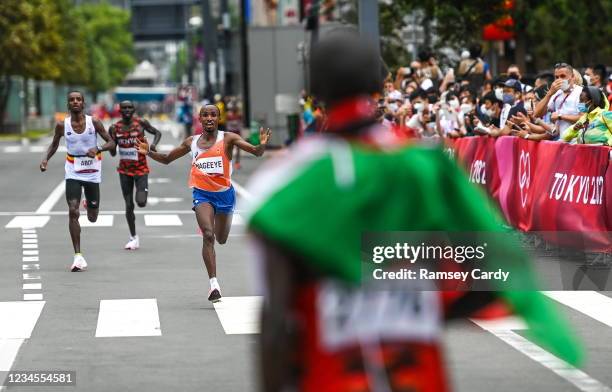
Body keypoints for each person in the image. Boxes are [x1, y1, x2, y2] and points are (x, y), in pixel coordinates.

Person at [247, 31, 581, 392]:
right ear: (378, 84)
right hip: (417, 377)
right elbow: (491, 271)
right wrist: (416, 303)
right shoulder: (427, 168)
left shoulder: (284, 184)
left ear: (314, 91)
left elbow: (275, 320)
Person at [134, 104, 271, 302]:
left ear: (218, 118)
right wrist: (148, 153)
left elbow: (256, 152)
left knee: (221, 238)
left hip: (225, 195)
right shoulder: (192, 142)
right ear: (200, 119)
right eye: (205, 115)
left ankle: (216, 235)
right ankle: (213, 284)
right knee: (208, 235)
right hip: (202, 195)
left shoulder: (228, 138)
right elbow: (166, 159)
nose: (209, 118)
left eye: (213, 115)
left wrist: (262, 144)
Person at [39, 91, 116, 272]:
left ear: (83, 103)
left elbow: (112, 143)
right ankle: (78, 256)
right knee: (72, 211)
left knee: (92, 217)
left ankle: (88, 204)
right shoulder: (62, 125)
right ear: (68, 104)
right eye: (72, 100)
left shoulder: (94, 122)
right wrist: (45, 159)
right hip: (73, 170)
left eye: (78, 99)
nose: (75, 102)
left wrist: (98, 148)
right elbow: (55, 144)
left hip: (92, 172)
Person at [109, 100, 162, 250]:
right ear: (119, 110)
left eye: (129, 107)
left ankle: (143, 192)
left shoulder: (141, 123)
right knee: (128, 205)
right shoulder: (114, 127)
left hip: (141, 169)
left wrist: (153, 145)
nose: (126, 110)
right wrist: (112, 143)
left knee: (141, 202)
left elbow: (157, 133)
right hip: (124, 170)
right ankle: (133, 237)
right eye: (124, 108)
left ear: (133, 109)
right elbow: (113, 152)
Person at [534, 63, 582, 140]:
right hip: (562, 142)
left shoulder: (581, 92)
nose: (559, 79)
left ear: (572, 76)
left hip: (577, 142)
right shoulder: (556, 93)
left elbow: (584, 118)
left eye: (563, 76)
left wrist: (560, 116)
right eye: (556, 77)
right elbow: (537, 113)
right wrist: (549, 94)